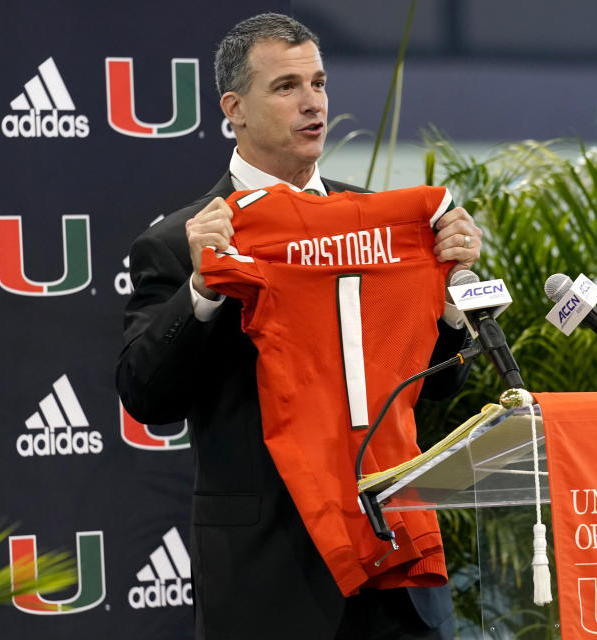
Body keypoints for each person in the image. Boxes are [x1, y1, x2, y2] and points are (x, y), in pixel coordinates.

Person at [115, 12, 483, 639]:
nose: (312, 103)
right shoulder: (180, 242)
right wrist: (202, 287)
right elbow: (146, 394)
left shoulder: (374, 223)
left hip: (392, 555)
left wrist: (450, 297)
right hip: (271, 576)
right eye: (286, 87)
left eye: (318, 83)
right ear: (235, 108)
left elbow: (436, 388)